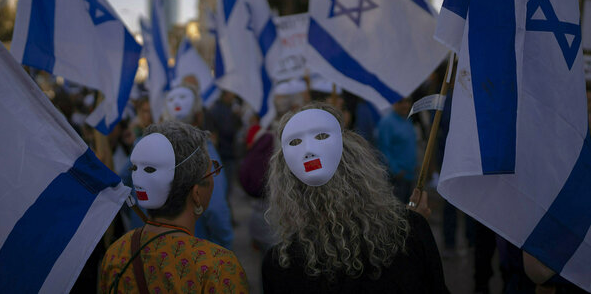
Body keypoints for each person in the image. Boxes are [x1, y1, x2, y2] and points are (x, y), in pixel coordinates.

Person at [262, 103, 448, 293]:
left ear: (284, 184)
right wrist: (415, 229)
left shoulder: (279, 264)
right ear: (357, 162)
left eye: (320, 137)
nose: (309, 151)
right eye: (297, 143)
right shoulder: (408, 232)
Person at [99, 120, 249, 294]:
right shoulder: (219, 267)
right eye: (212, 171)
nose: (215, 177)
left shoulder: (116, 253)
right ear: (196, 193)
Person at [163, 84, 234, 249]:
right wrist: (223, 249)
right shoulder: (205, 152)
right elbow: (216, 210)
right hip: (198, 253)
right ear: (199, 115)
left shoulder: (153, 149)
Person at [377, 97, 418, 203]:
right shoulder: (387, 122)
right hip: (396, 177)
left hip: (410, 175)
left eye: (408, 101)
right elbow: (383, 149)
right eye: (401, 102)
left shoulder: (407, 120)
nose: (405, 105)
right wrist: (396, 170)